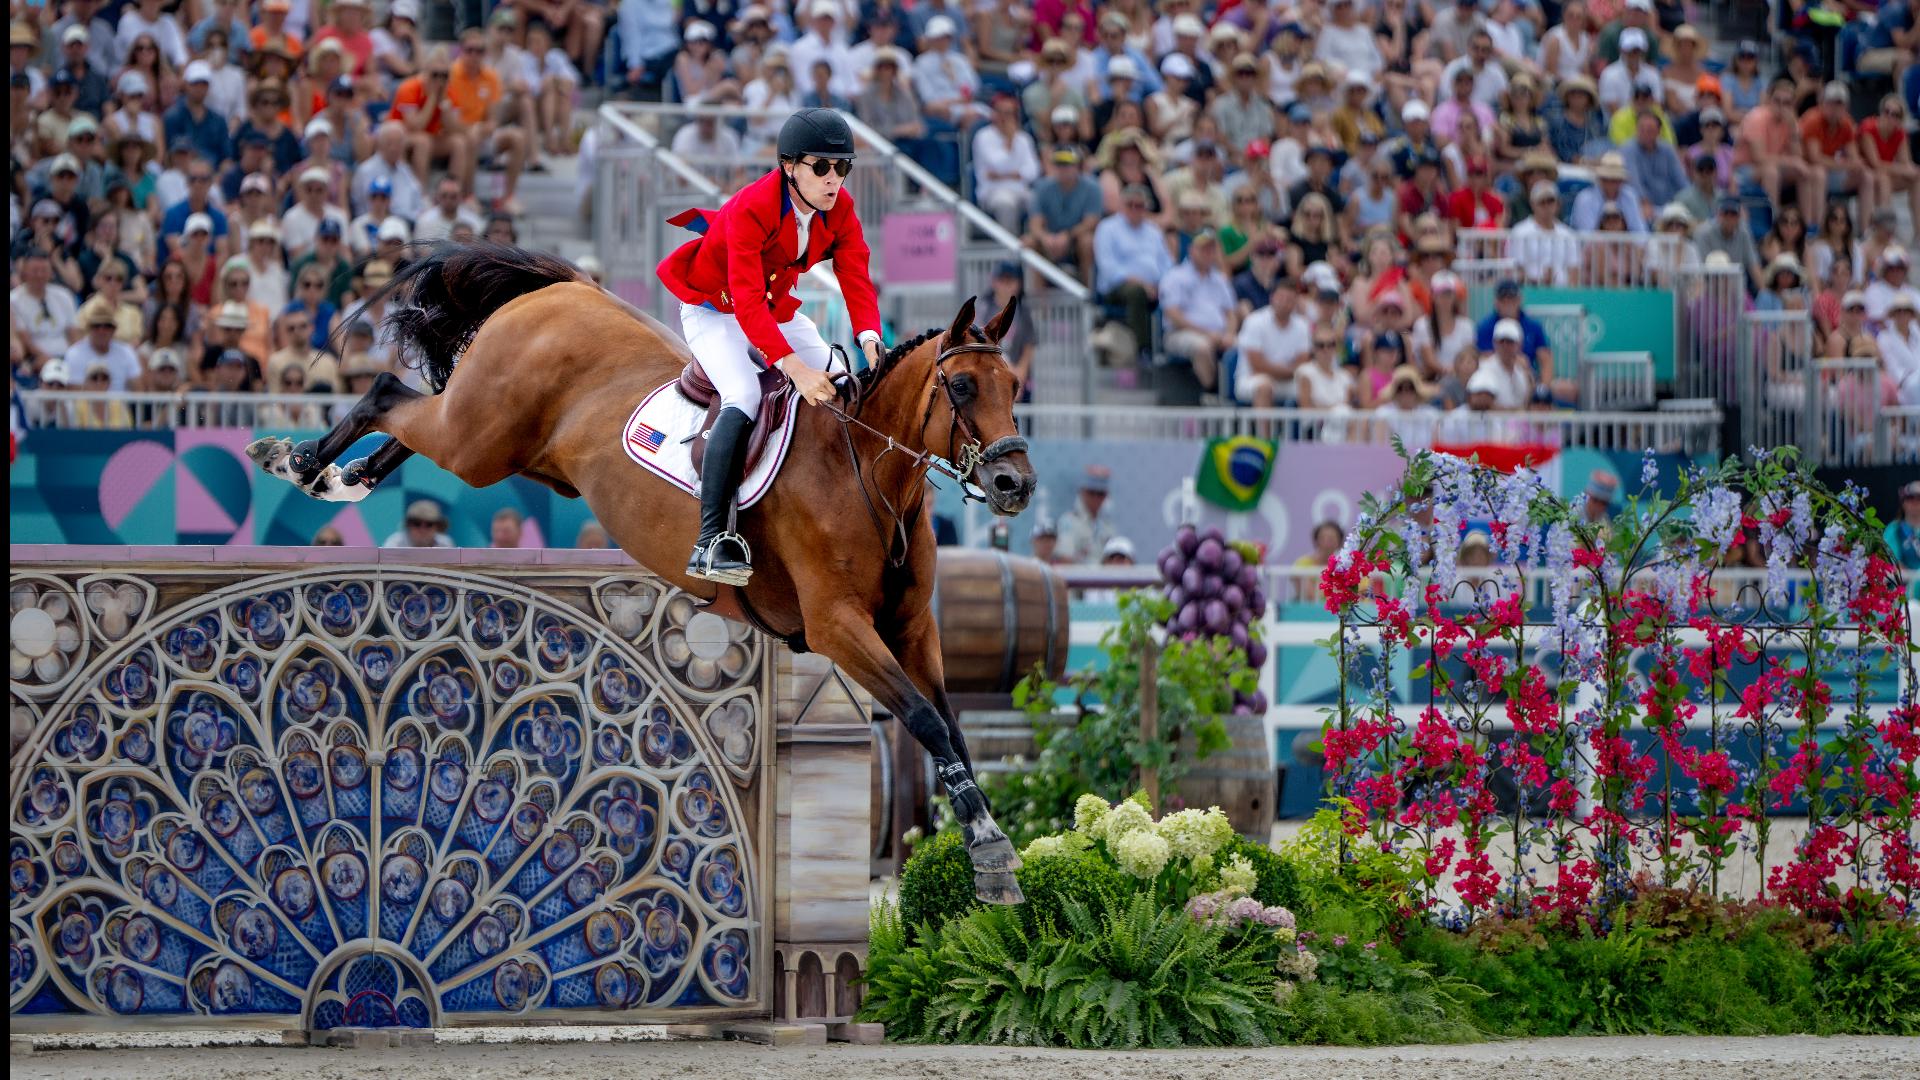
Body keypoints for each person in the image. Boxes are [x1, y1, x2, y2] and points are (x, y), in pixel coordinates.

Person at [655, 109, 884, 585]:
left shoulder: (839, 208)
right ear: (789, 166)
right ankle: (710, 539)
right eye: (821, 167)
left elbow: (855, 272)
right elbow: (745, 302)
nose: (833, 180)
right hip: (716, 310)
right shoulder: (752, 207)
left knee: (840, 374)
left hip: (772, 307)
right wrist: (795, 369)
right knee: (743, 394)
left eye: (843, 168)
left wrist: (869, 335)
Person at [1234, 274, 1311, 407]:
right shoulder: (1254, 321)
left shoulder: (1302, 325)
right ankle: (1263, 429)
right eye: (1281, 297)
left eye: (1290, 299)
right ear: (1272, 298)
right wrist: (1290, 371)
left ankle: (1308, 427)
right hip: (1250, 379)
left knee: (1309, 385)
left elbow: (1302, 362)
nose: (1285, 303)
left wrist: (1289, 372)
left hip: (1287, 381)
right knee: (1265, 386)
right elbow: (1257, 365)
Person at [1055, 464, 1117, 565]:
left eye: (1101, 493)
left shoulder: (1108, 526)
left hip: (1105, 579)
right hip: (1079, 578)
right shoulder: (1069, 522)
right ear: (1082, 492)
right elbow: (1064, 558)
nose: (1096, 498)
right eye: (1092, 492)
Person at [383, 498, 454, 548]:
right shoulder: (395, 544)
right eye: (417, 523)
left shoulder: (445, 544)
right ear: (409, 525)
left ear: (437, 527)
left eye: (429, 524)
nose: (422, 529)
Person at [1884, 480, 1920, 570]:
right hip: (1905, 582)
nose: (1915, 502)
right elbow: (1890, 561)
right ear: (1903, 502)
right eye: (1910, 497)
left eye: (1919, 498)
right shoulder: (1893, 529)